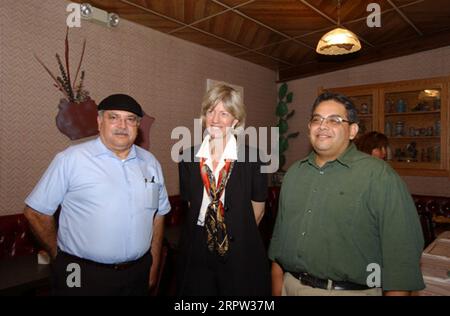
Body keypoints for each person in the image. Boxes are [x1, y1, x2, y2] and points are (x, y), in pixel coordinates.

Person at [269, 91, 425, 296]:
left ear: (352, 131)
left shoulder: (379, 176)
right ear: (309, 128)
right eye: (317, 119)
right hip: (292, 286)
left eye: (334, 120)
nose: (322, 125)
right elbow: (279, 247)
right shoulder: (294, 174)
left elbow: (402, 260)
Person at [24, 94, 171, 296]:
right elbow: (36, 212)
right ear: (99, 121)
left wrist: (153, 264)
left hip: (137, 272)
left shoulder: (151, 163)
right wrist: (59, 256)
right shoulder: (70, 159)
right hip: (80, 273)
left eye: (130, 119)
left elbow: (158, 214)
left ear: (138, 126)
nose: (122, 125)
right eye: (114, 117)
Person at [177, 84, 270, 296]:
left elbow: (258, 211)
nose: (216, 120)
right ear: (204, 116)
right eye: (210, 112)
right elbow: (191, 205)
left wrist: (229, 233)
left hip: (239, 244)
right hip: (197, 244)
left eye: (224, 113)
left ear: (235, 120)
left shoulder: (254, 158)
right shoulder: (187, 157)